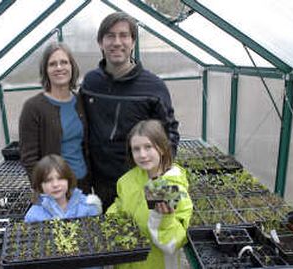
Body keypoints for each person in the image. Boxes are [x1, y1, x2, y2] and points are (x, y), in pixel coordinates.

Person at [80, 12, 180, 210]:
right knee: (111, 229)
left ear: (133, 42)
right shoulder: (91, 83)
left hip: (142, 177)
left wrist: (160, 182)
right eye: (110, 36)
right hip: (103, 181)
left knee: (155, 228)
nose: (117, 42)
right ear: (100, 42)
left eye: (124, 35)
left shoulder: (153, 86)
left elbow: (170, 134)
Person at [107, 120, 192, 269]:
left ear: (162, 148)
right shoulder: (127, 180)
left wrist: (164, 219)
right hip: (126, 263)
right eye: (136, 149)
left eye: (148, 147)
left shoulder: (170, 188)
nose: (142, 155)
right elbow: (120, 206)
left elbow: (175, 242)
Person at [19, 42, 91, 193]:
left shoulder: (81, 101)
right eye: (52, 64)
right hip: (54, 189)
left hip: (83, 184)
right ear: (45, 70)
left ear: (72, 67)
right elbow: (29, 159)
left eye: (64, 62)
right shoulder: (33, 107)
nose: (59, 68)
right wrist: (44, 190)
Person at [24, 154, 102, 223]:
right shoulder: (33, 216)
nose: (55, 184)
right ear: (40, 185)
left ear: (68, 180)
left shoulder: (87, 207)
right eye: (48, 180)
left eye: (60, 178)